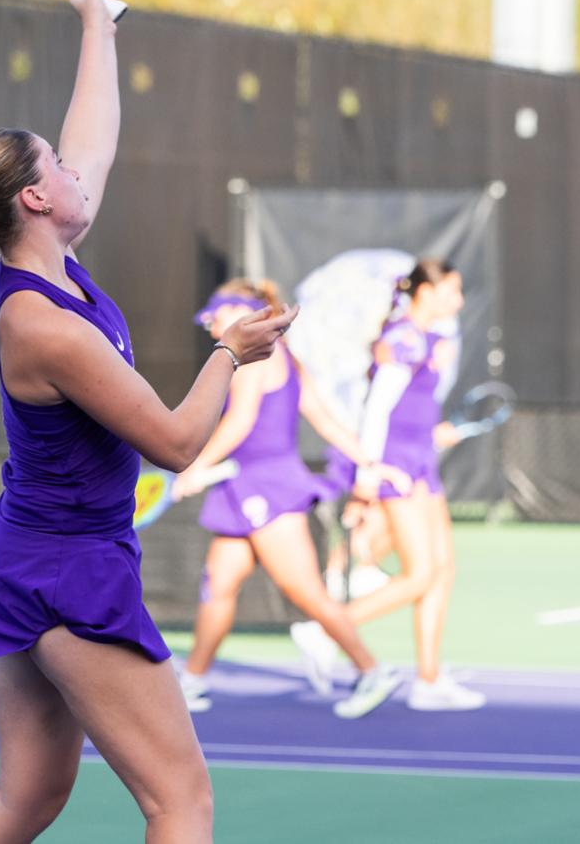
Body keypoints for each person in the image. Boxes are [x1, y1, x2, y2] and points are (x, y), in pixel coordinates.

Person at [0, 0, 295, 844]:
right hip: (64, 572)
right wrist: (230, 352)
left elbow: (93, 139)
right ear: (35, 200)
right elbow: (179, 444)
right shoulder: (44, 324)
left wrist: (94, 26)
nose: (77, 173)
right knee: (180, 802)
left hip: (34, 551)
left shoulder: (51, 259)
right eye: (58, 170)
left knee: (28, 797)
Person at [172, 279, 407, 718]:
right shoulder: (285, 357)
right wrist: (368, 462)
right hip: (241, 487)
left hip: (269, 488)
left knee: (306, 592)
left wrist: (195, 466)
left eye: (216, 317)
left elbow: (241, 421)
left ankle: (372, 670)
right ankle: (194, 680)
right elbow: (324, 420)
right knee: (219, 584)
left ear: (243, 313)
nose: (210, 327)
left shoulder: (257, 359)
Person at [340, 258, 485, 712]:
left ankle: (428, 679)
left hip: (422, 456)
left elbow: (414, 405)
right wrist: (368, 472)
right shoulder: (403, 337)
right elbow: (379, 409)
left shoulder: (431, 339)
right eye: (452, 291)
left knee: (443, 569)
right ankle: (329, 626)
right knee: (420, 572)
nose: (459, 301)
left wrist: (434, 432)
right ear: (425, 292)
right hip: (396, 463)